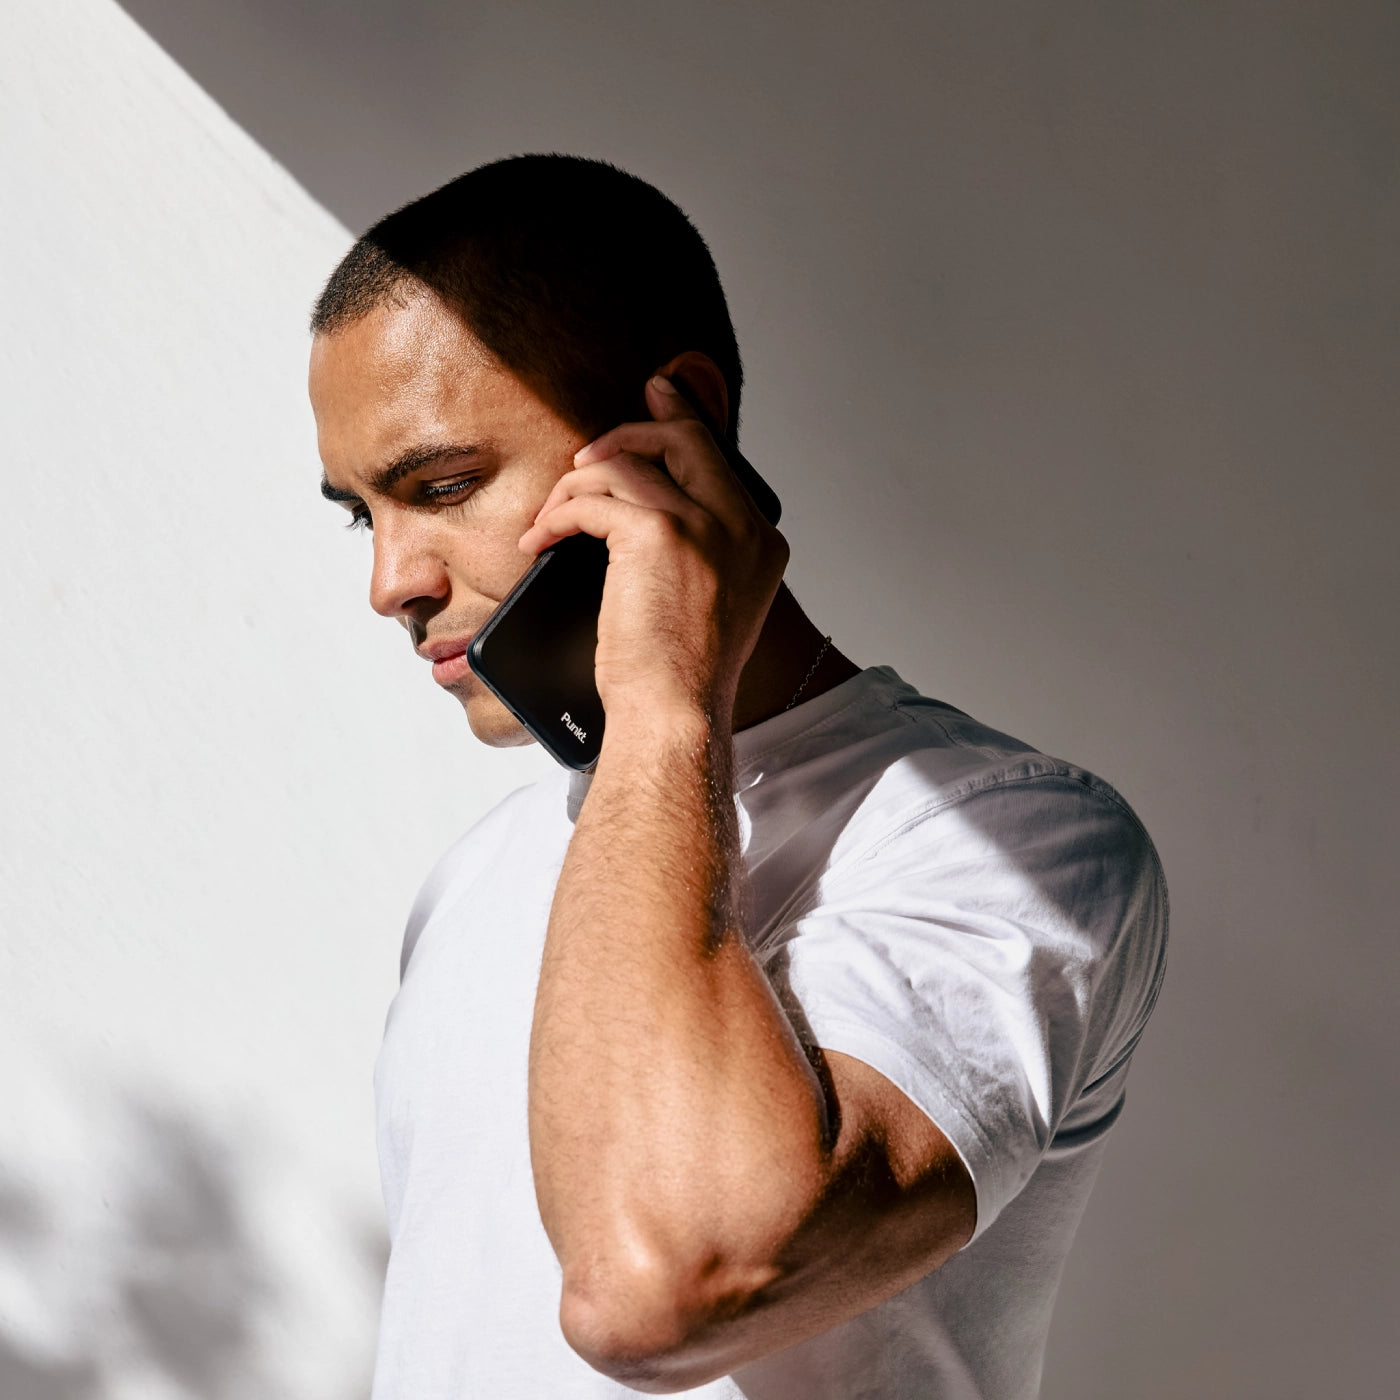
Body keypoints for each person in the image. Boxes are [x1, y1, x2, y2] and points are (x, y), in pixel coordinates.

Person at [308, 154, 1168, 1400]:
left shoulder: (1016, 838)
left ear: (679, 423)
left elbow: (656, 1291)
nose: (391, 581)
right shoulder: (477, 873)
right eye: (361, 513)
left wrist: (667, 700)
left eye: (442, 486)